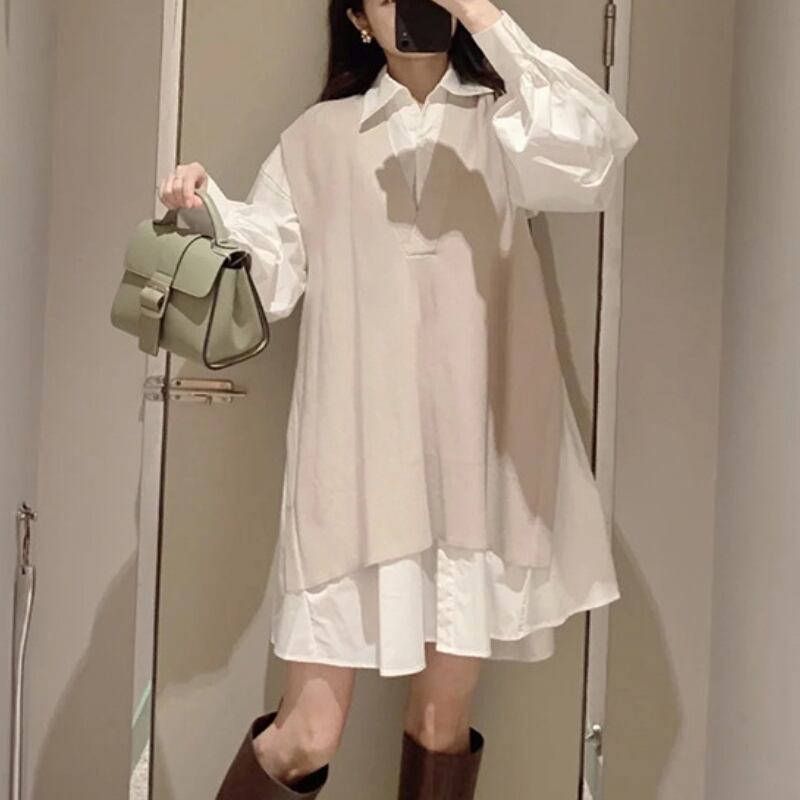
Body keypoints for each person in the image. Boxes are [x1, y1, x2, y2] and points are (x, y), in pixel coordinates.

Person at [158, 0, 639, 797]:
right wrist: (206, 211)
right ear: (356, 18)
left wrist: (481, 14)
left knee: (442, 726)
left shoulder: (510, 122)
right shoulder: (316, 138)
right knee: (306, 735)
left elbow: (591, 156)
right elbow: (269, 278)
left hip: (478, 472)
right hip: (351, 468)